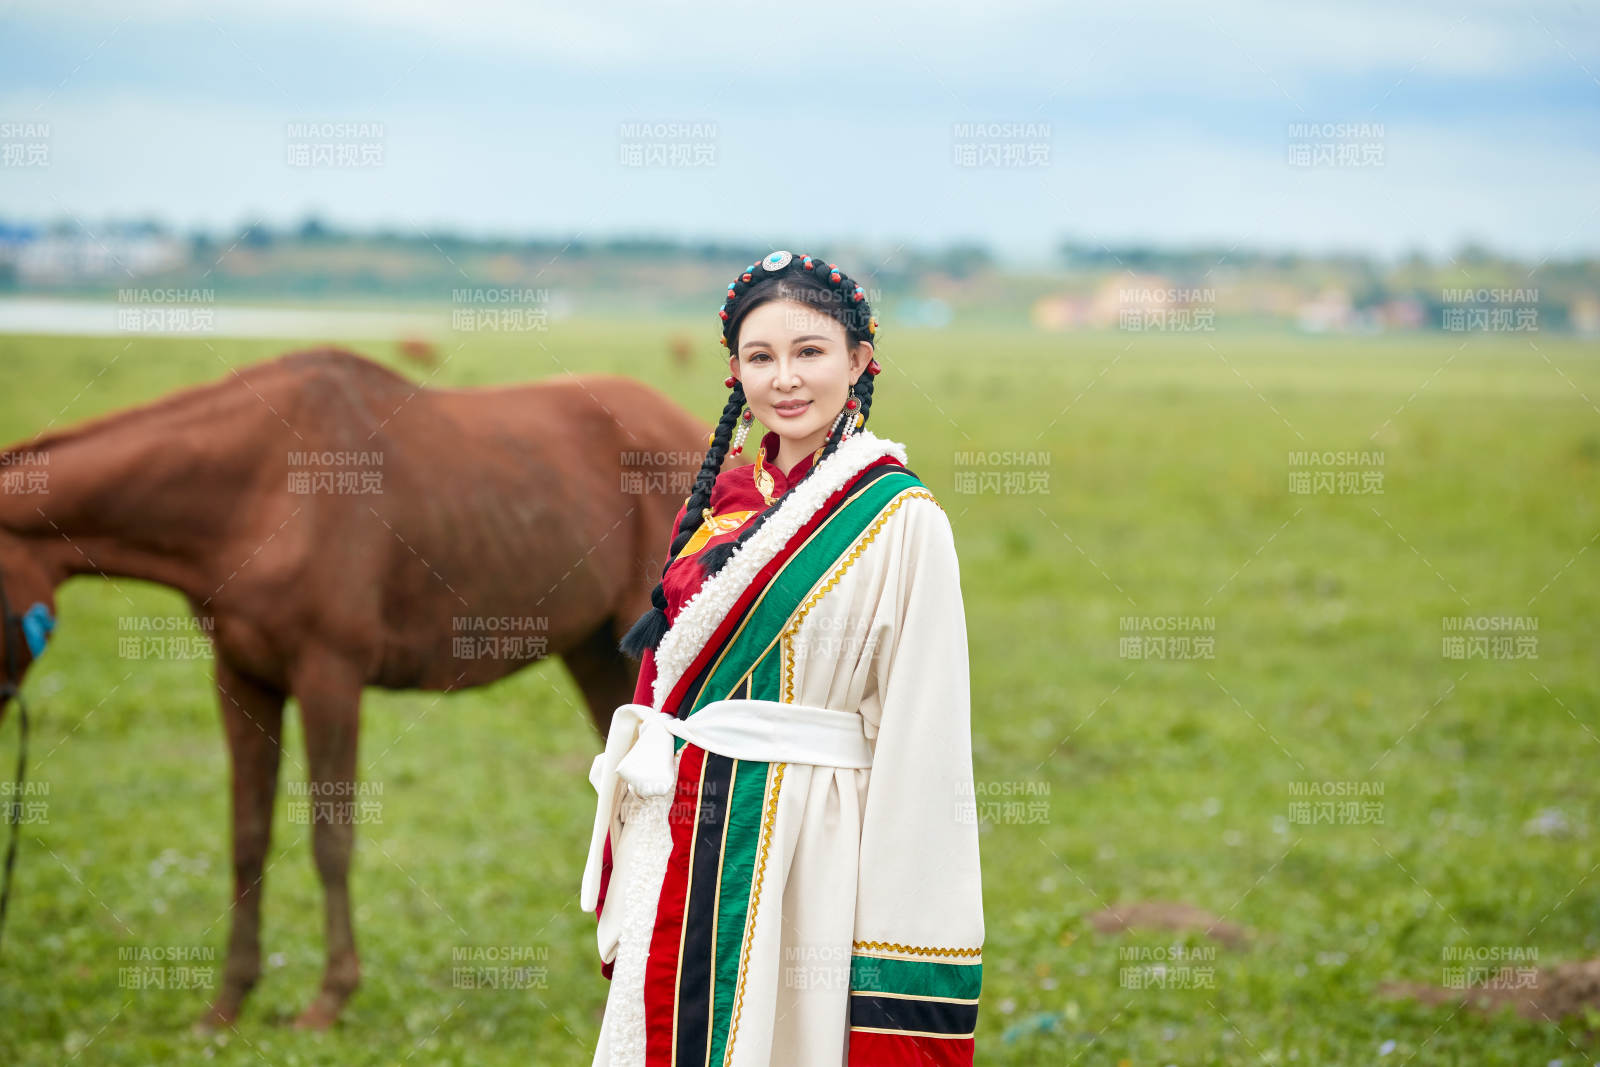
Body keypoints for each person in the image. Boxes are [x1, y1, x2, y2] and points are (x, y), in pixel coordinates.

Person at [581, 250, 983, 1065]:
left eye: (810, 352)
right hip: (684, 828)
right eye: (761, 357)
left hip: (810, 843)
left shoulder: (903, 518)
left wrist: (898, 924)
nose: (786, 379)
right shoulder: (716, 504)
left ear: (859, 361)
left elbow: (923, 741)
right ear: (734, 372)